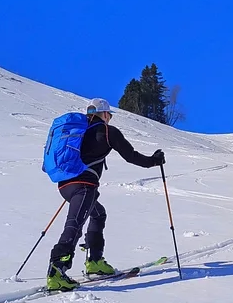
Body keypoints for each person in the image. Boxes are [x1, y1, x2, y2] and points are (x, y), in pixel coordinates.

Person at [47, 98, 165, 291]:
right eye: (109, 115)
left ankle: (94, 261)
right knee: (74, 224)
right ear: (103, 114)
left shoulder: (79, 132)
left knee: (98, 214)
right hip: (84, 186)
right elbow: (131, 156)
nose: (109, 118)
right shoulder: (108, 132)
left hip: (65, 185)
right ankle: (56, 272)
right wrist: (154, 161)